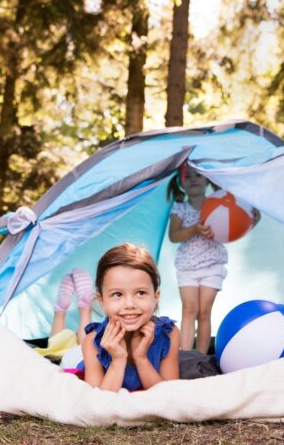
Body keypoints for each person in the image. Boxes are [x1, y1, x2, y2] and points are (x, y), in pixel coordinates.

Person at [82, 243, 180, 392]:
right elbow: (97, 405)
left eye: (140, 293)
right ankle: (83, 307)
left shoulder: (169, 334)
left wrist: (141, 358)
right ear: (101, 301)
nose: (129, 304)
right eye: (117, 294)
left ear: (156, 296)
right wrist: (118, 360)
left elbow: (169, 396)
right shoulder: (92, 342)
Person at [167, 164, 228, 354]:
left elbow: (229, 228)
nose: (193, 179)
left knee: (204, 312)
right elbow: (174, 236)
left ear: (207, 179)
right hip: (187, 267)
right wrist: (194, 228)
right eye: (188, 177)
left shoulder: (217, 204)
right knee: (189, 309)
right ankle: (185, 354)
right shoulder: (181, 208)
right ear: (181, 183)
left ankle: (201, 357)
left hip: (213, 265)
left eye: (198, 176)